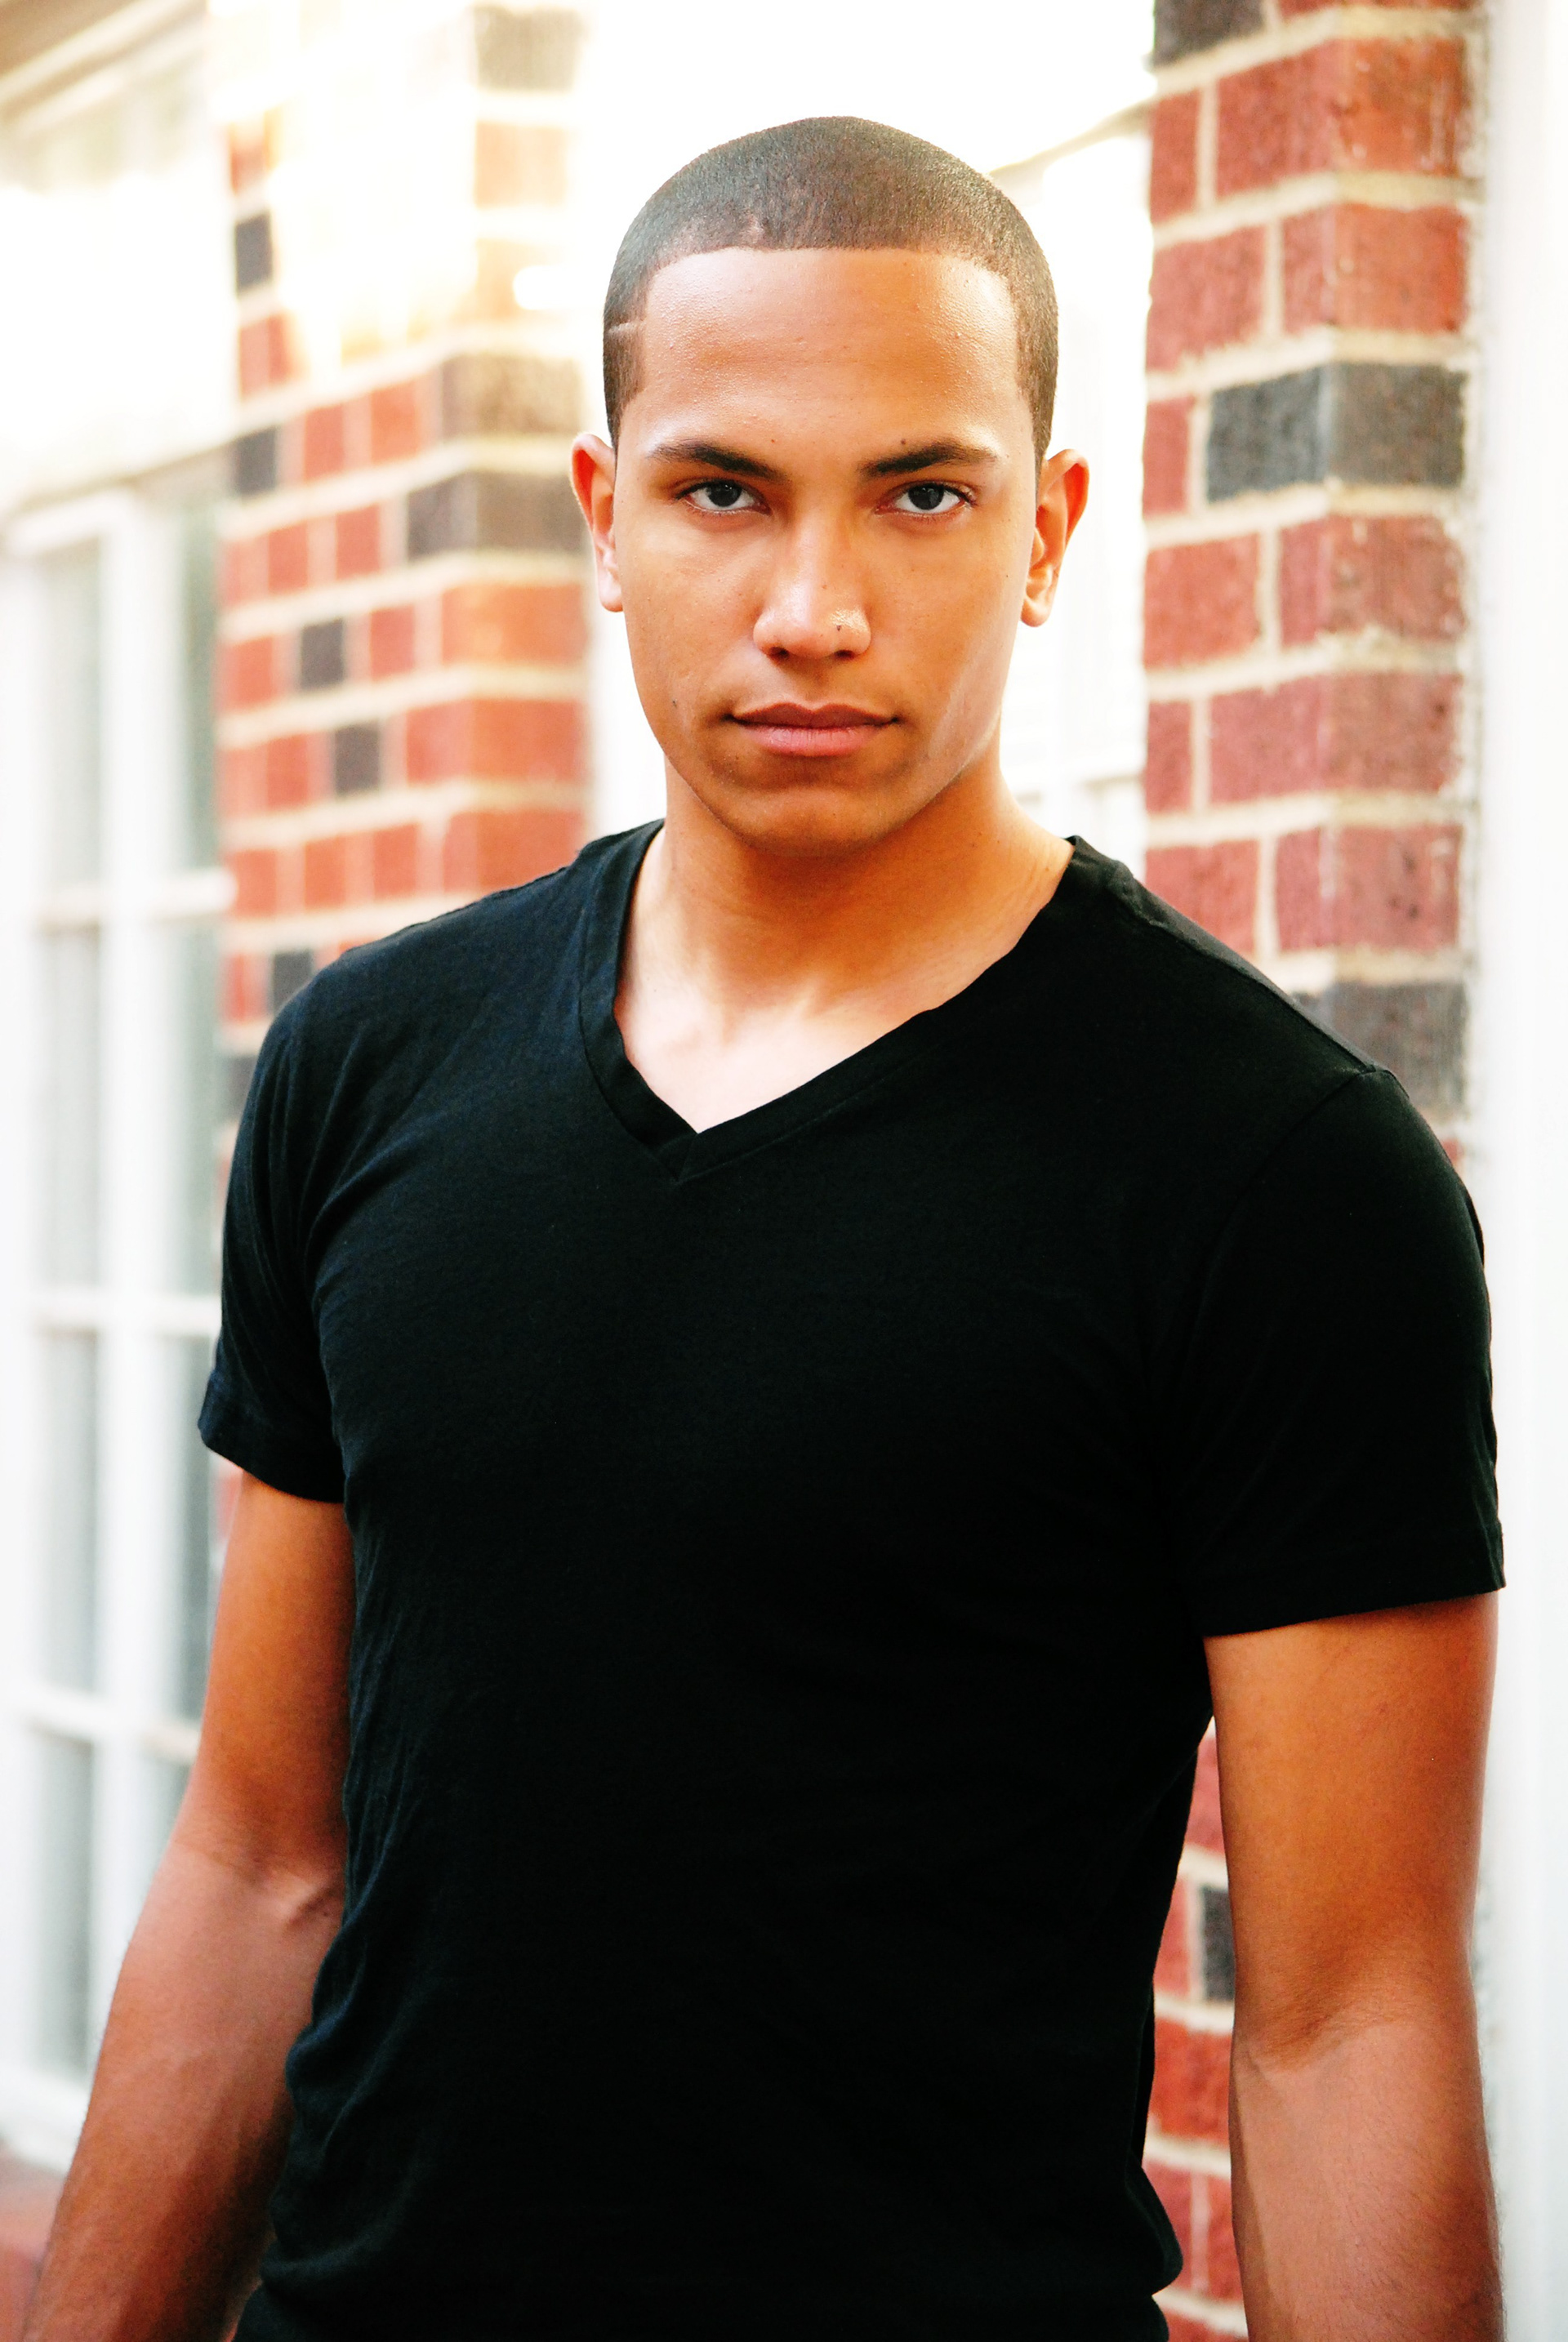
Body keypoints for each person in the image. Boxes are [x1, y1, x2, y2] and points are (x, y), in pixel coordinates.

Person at [24, 118, 1503, 2342]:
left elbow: (1344, 2029)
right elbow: (255, 1865)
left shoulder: (1274, 1173)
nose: (815, 606)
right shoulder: (368, 1062)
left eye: (922, 495)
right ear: (605, 518)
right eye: (725, 491)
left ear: (1047, 531)